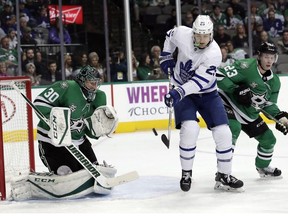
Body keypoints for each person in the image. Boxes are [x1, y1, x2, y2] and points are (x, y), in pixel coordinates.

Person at [159, 15, 244, 192]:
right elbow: (169, 35)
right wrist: (166, 55)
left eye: (205, 36)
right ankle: (186, 173)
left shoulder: (214, 53)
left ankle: (224, 175)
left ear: (211, 34)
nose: (202, 39)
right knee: (190, 130)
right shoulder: (183, 33)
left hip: (207, 94)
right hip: (183, 92)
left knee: (224, 134)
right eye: (198, 35)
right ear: (193, 33)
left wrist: (177, 92)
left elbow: (199, 82)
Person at [11, 65, 119, 200]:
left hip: (79, 142)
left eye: (97, 83)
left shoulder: (99, 96)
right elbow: (40, 102)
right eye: (91, 82)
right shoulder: (66, 87)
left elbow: (92, 132)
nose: (94, 86)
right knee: (65, 173)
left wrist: (99, 130)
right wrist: (55, 121)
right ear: (82, 81)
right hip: (52, 142)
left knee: (94, 170)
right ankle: (33, 184)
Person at [217, 42, 285, 178]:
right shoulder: (246, 66)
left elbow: (268, 104)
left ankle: (263, 167)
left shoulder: (275, 82)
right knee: (233, 128)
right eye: (266, 56)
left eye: (272, 57)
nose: (269, 60)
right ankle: (223, 174)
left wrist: (280, 117)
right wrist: (235, 89)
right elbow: (218, 75)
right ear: (259, 56)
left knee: (269, 139)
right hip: (228, 102)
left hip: (249, 113)